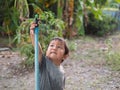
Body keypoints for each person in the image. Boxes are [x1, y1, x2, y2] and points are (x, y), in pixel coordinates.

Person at [30, 22, 69, 90]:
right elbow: (38, 51)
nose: (54, 48)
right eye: (51, 45)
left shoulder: (62, 70)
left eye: (59, 47)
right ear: (46, 52)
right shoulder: (44, 62)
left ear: (65, 56)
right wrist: (33, 34)